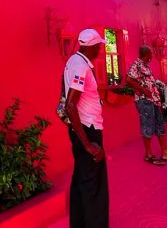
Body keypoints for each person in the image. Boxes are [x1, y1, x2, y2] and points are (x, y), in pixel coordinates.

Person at [63, 29, 108, 228]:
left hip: (81, 129)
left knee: (82, 180)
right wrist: (89, 145)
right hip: (87, 130)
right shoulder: (80, 67)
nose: (100, 50)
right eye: (98, 46)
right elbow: (71, 105)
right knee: (93, 186)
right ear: (89, 46)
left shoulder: (75, 62)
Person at [127, 45, 167, 166]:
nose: (152, 56)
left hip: (154, 100)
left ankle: (165, 153)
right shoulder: (136, 64)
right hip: (144, 100)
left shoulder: (145, 65)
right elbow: (129, 79)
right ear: (146, 54)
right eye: (151, 53)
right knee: (147, 126)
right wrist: (142, 89)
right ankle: (148, 155)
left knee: (159, 125)